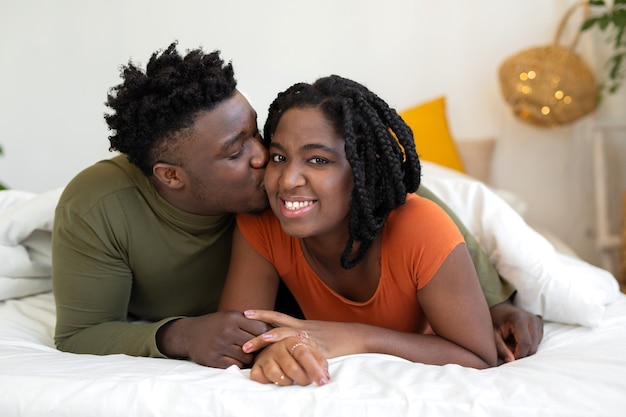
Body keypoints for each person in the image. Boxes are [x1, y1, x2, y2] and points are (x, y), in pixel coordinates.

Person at [52, 42, 541, 371]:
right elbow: (81, 332)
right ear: (172, 176)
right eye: (235, 150)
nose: (266, 159)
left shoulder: (284, 195)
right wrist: (178, 337)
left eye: (256, 134)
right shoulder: (102, 207)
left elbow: (404, 205)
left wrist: (493, 298)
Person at [218, 75, 502, 387]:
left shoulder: (422, 228)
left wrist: (357, 337)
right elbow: (241, 339)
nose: (287, 180)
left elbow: (479, 356)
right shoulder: (261, 224)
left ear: (363, 171)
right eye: (279, 157)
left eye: (317, 160)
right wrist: (276, 349)